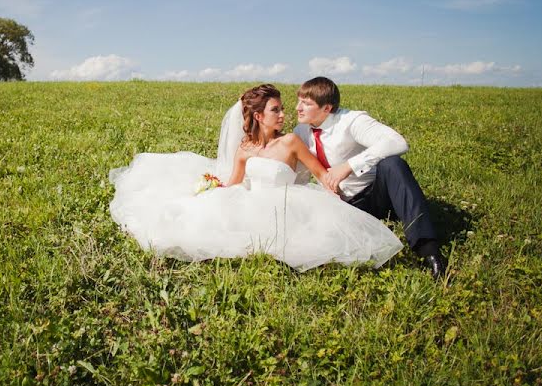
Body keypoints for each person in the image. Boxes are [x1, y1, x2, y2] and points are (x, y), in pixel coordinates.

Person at [108, 84, 402, 271]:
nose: (284, 114)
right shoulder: (244, 148)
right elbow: (235, 183)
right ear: (259, 116)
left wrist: (339, 203)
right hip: (250, 201)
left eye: (283, 108)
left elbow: (322, 175)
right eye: (277, 110)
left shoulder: (291, 142)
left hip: (287, 205)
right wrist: (213, 188)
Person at [292, 76, 448, 279]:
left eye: (306, 103)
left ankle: (429, 251)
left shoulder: (351, 121)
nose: (298, 108)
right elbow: (301, 170)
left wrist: (349, 166)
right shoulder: (301, 131)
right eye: (299, 101)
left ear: (326, 108)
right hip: (340, 204)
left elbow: (397, 142)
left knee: (392, 164)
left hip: (375, 195)